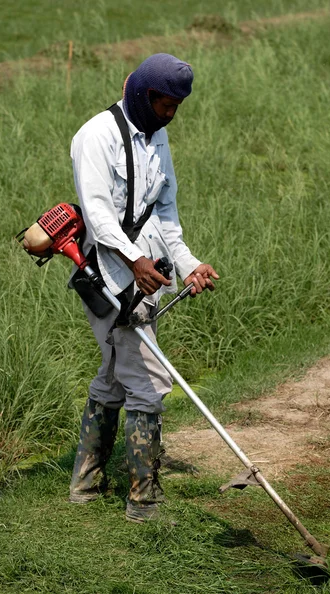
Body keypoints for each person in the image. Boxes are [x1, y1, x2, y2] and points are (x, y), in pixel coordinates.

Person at [68, 53, 219, 523]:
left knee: (114, 375)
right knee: (150, 382)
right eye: (162, 102)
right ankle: (144, 503)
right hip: (108, 276)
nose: (169, 112)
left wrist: (189, 264)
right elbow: (97, 215)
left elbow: (165, 211)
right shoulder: (96, 136)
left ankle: (86, 484)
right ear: (140, 92)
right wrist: (132, 261)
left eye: (175, 105)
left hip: (146, 271)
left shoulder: (158, 135)